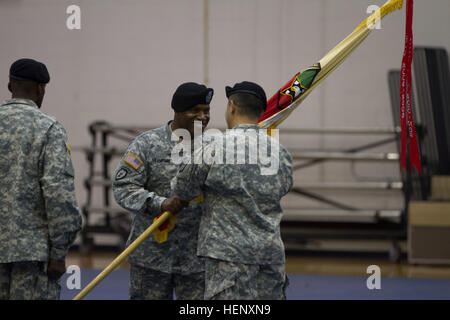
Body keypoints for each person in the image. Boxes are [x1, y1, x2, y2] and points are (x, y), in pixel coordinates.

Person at [172, 81, 293, 300]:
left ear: (232, 106)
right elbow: (284, 187)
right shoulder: (280, 152)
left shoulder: (213, 147)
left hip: (228, 256)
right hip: (270, 253)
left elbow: (182, 188)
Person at [112, 82, 213, 300]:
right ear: (177, 111)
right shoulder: (147, 144)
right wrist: (160, 202)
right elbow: (124, 187)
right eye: (195, 110)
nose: (203, 117)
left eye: (206, 111)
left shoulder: (216, 147)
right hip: (151, 257)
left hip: (197, 259)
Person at [0, 58, 83, 300]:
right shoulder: (48, 128)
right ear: (40, 88)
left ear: (9, 86)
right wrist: (59, 251)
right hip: (31, 255)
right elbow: (58, 193)